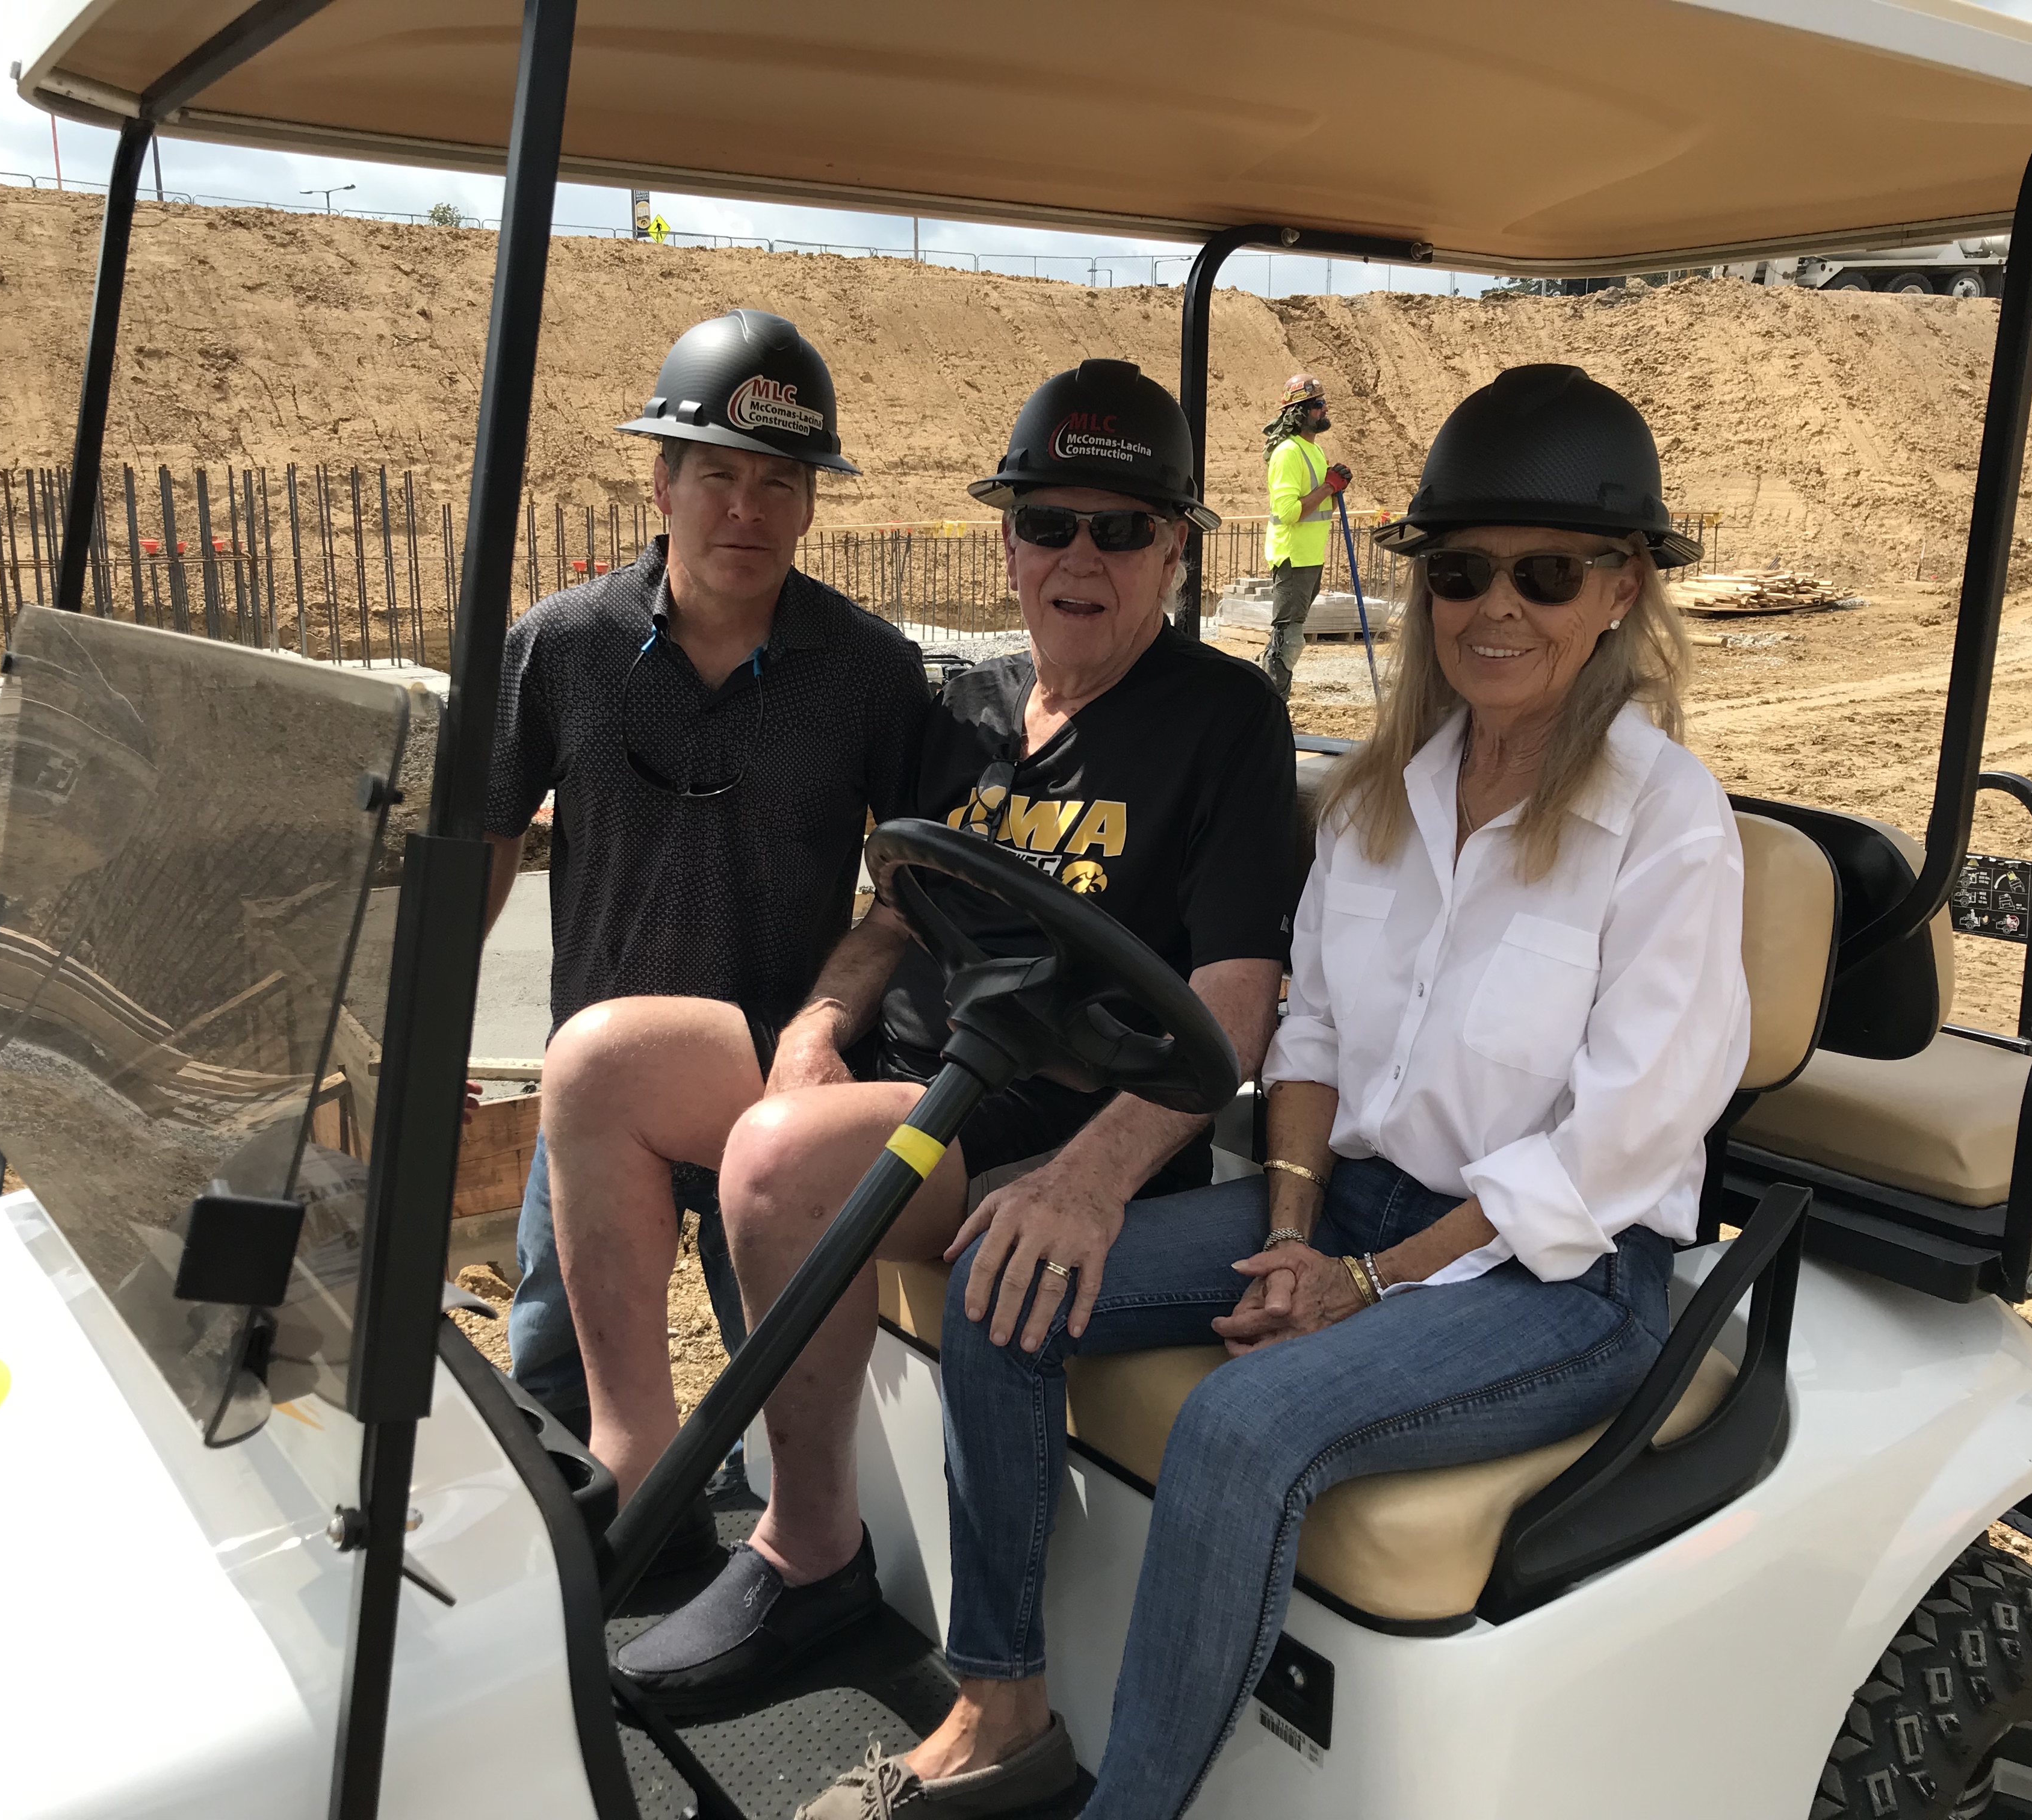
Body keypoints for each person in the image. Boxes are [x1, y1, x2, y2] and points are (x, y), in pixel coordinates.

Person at [799, 363, 1752, 1819]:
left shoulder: (1668, 825)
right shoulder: (1390, 790)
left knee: (1241, 1429)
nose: (1497, 608)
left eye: (1548, 574)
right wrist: (1303, 1226)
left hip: (1553, 1278)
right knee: (1003, 1255)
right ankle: (1005, 1703)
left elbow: (1612, 1148)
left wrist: (1360, 1286)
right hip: (1352, 1209)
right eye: (1462, 571)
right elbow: (1299, 1040)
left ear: (1622, 590)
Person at [614, 361, 1298, 1748]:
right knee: (605, 1060)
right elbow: (896, 913)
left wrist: (1091, 1181)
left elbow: (1237, 1003)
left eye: (1122, 530)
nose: (1081, 559)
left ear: (1177, 545)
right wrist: (816, 1023)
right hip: (922, 1088)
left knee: (779, 1162)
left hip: (1050, 1124)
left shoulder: (1220, 721)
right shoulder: (968, 712)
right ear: (1008, 541)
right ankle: (638, 1477)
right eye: (1050, 525)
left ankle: (813, 1558)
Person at [483, 309, 928, 1574]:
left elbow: (904, 895)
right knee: (555, 1365)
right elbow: (490, 833)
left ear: (809, 504)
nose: (746, 508)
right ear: (662, 480)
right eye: (719, 475)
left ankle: (778, 1580)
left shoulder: (870, 672)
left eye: (778, 483)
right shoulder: (562, 647)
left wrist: (821, 1037)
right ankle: (583, 1589)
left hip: (763, 1106)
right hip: (594, 1098)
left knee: (790, 1388)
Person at [1258, 373, 1352, 701]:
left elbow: (1320, 507)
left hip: (1311, 558)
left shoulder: (1314, 452)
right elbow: (1288, 512)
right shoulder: (1288, 452)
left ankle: (1261, 696)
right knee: (1289, 640)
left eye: (1323, 403)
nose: (1324, 410)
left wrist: (1334, 486)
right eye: (1317, 405)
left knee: (1286, 639)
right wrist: (1329, 486)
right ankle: (1271, 708)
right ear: (1298, 411)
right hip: (1293, 557)